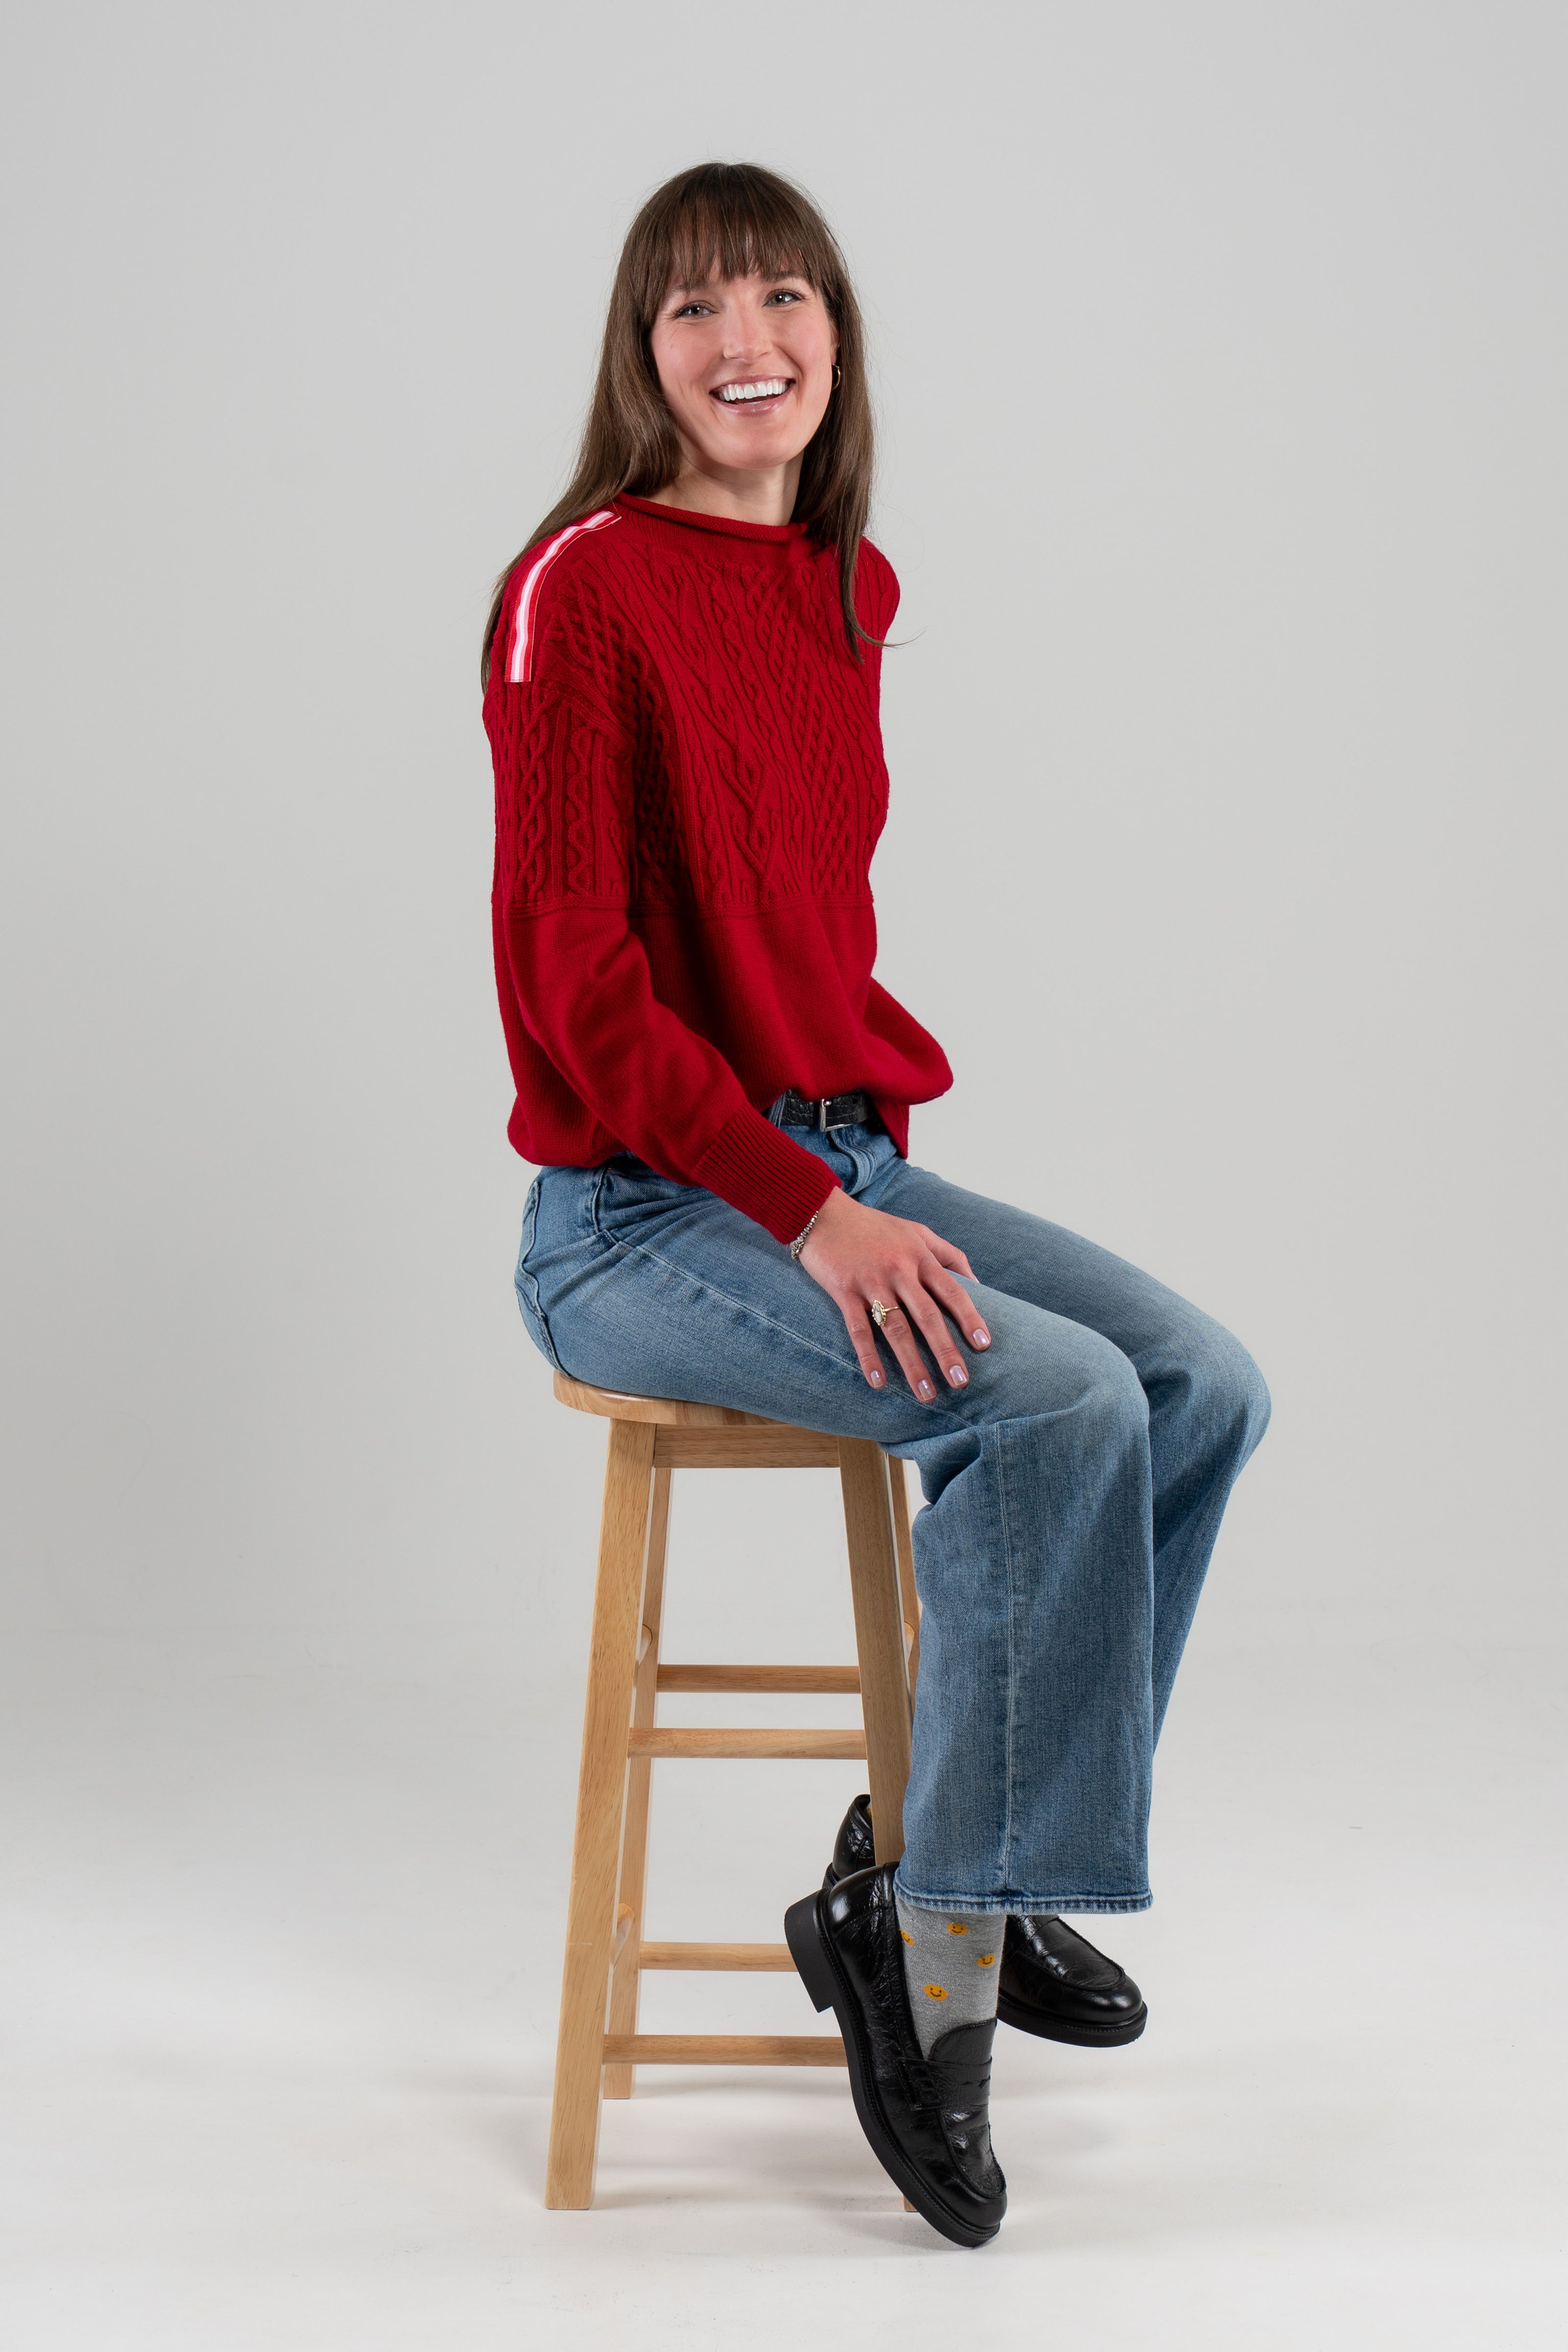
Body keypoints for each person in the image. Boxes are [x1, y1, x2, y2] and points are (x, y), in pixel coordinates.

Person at [482, 161, 1270, 2248]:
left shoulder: (847, 584)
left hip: (833, 1152)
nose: (744, 345)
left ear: (833, 329)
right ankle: (936, 1950)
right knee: (1056, 1404)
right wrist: (796, 1204)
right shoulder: (582, 583)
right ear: (636, 357)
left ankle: (941, 1863)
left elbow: (789, 916)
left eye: (779, 298)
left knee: (1194, 1383)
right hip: (646, 1217)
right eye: (690, 312)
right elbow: (576, 977)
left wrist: (852, 1172)